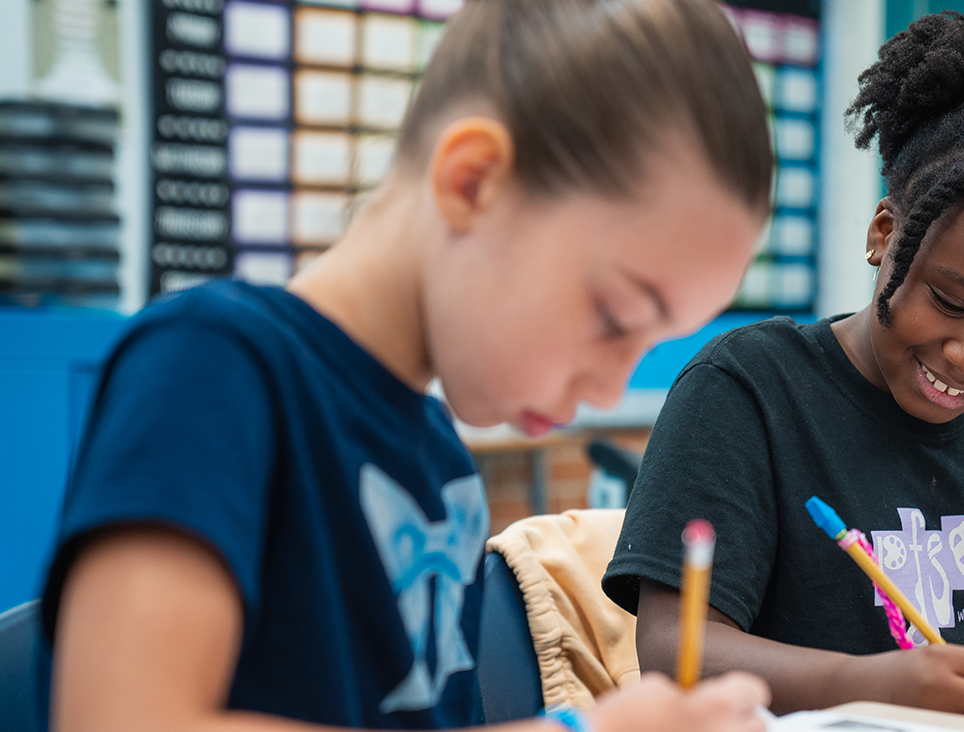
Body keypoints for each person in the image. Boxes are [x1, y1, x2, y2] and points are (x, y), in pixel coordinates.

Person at [40, 0, 777, 729]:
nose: (609, 387)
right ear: (472, 182)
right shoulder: (210, 367)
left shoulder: (435, 457)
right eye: (614, 317)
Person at [602, 11, 964, 722]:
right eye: (949, 302)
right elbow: (678, 652)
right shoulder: (750, 389)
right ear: (885, 234)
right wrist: (876, 683)